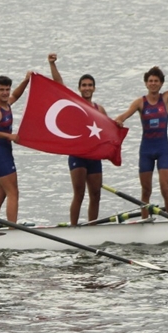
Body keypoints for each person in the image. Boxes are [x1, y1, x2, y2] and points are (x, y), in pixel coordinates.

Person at [115, 51, 168, 216]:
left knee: (165, 188)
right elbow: (124, 116)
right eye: (150, 81)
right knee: (146, 190)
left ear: (161, 83)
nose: (153, 84)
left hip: (163, 148)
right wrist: (118, 120)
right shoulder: (140, 102)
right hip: (146, 150)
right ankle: (145, 220)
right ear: (146, 84)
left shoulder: (166, 98)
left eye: (156, 81)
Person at [48, 52, 110, 225]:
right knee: (79, 193)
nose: (87, 88)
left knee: (96, 194)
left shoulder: (100, 109)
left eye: (90, 85)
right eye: (84, 85)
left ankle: (92, 226)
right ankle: (74, 227)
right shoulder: (75, 103)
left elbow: (109, 131)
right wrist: (52, 64)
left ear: (94, 88)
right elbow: (59, 85)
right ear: (79, 88)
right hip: (77, 155)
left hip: (94, 156)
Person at [0, 71, 32, 226]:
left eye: (7, 89)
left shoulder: (7, 103)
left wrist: (26, 80)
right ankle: (12, 229)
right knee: (13, 193)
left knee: (0, 194)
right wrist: (8, 136)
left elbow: (16, 95)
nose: (5, 93)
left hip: (2, 154)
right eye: (1, 90)